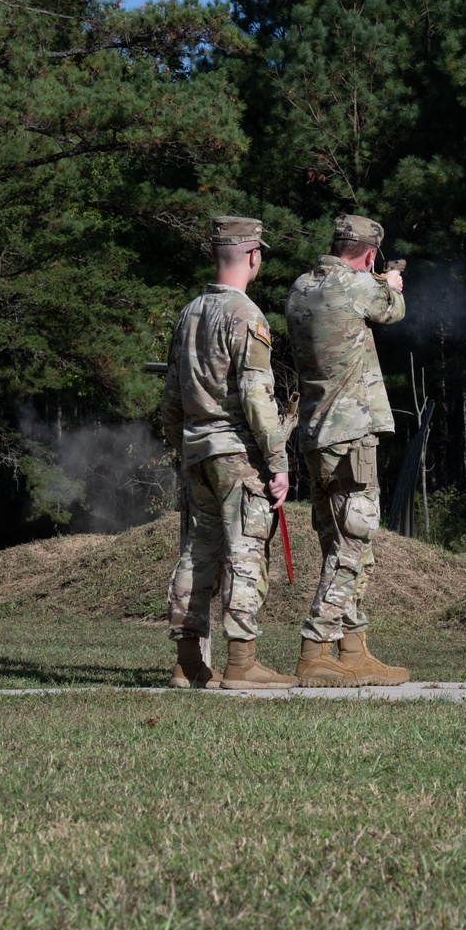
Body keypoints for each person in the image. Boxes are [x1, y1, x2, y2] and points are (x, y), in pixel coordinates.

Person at [161, 216, 298, 690]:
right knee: (245, 553)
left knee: (196, 553)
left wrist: (189, 446)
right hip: (238, 454)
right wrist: (277, 462)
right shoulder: (245, 315)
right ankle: (241, 662)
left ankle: (187, 664)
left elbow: (170, 399)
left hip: (197, 450)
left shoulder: (189, 313)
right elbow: (258, 398)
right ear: (254, 255)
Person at [285, 213, 410, 686]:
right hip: (352, 434)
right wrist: (391, 283)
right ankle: (316, 647)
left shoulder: (300, 287)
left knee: (339, 543)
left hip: (316, 434)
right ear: (370, 254)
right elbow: (391, 311)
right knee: (353, 544)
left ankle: (353, 648)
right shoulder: (358, 287)